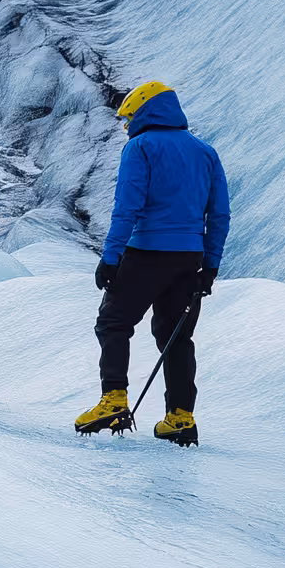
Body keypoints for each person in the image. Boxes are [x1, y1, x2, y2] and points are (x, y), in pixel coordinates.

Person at [76, 80, 231, 446]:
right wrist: (210, 266)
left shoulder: (140, 147)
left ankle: (114, 398)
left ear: (144, 110)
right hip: (189, 259)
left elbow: (127, 207)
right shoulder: (205, 152)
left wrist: (111, 257)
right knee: (175, 336)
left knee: (113, 322)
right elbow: (219, 214)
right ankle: (180, 416)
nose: (126, 125)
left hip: (146, 252)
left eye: (128, 117)